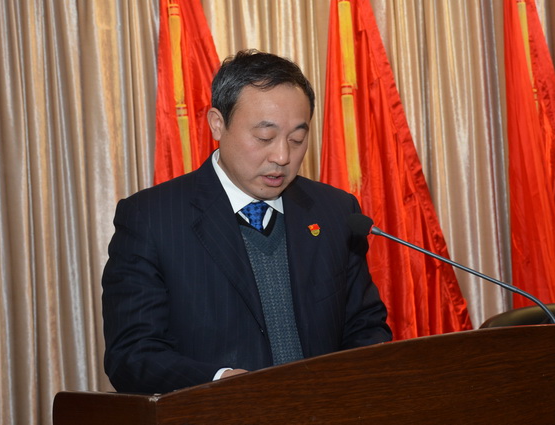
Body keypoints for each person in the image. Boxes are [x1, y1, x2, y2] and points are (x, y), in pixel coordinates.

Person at [102, 49, 392, 394]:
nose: (282, 156)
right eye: (265, 137)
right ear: (217, 123)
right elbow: (132, 355)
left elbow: (365, 328)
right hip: (213, 412)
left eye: (297, 139)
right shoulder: (152, 219)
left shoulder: (335, 211)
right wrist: (221, 383)